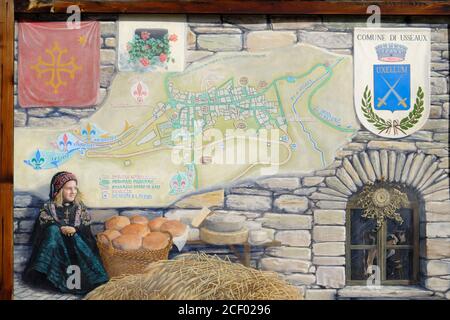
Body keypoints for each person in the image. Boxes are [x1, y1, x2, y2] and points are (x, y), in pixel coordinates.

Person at [23, 171, 108, 295]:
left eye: (75, 188)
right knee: (52, 230)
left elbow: (86, 229)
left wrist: (75, 229)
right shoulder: (49, 206)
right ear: (59, 191)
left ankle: (86, 279)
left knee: (76, 239)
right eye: (69, 188)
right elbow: (42, 227)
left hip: (76, 246)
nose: (73, 191)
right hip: (57, 246)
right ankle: (49, 277)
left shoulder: (80, 207)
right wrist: (59, 228)